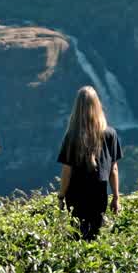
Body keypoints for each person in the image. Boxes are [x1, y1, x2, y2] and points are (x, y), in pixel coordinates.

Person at [57, 86, 122, 240]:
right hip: (99, 194)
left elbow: (67, 170)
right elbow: (114, 169)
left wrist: (61, 196)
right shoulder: (110, 134)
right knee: (95, 237)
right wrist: (116, 197)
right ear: (97, 106)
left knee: (77, 237)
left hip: (76, 195)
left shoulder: (71, 136)